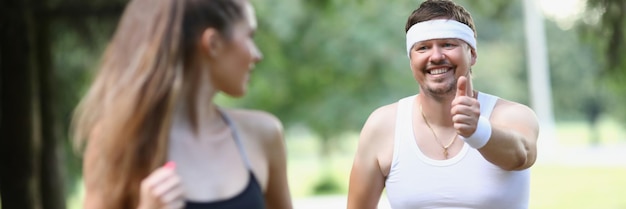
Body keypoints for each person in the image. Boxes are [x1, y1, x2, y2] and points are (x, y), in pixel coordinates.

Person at [71, 0, 293, 208]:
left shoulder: (263, 135)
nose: (257, 55)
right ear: (213, 43)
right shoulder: (116, 142)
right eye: (250, 36)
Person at [347, 0, 539, 208]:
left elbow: (522, 156)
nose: (436, 56)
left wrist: (478, 130)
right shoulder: (383, 125)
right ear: (411, 60)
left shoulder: (511, 115)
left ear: (472, 54)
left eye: (448, 44)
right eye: (423, 48)